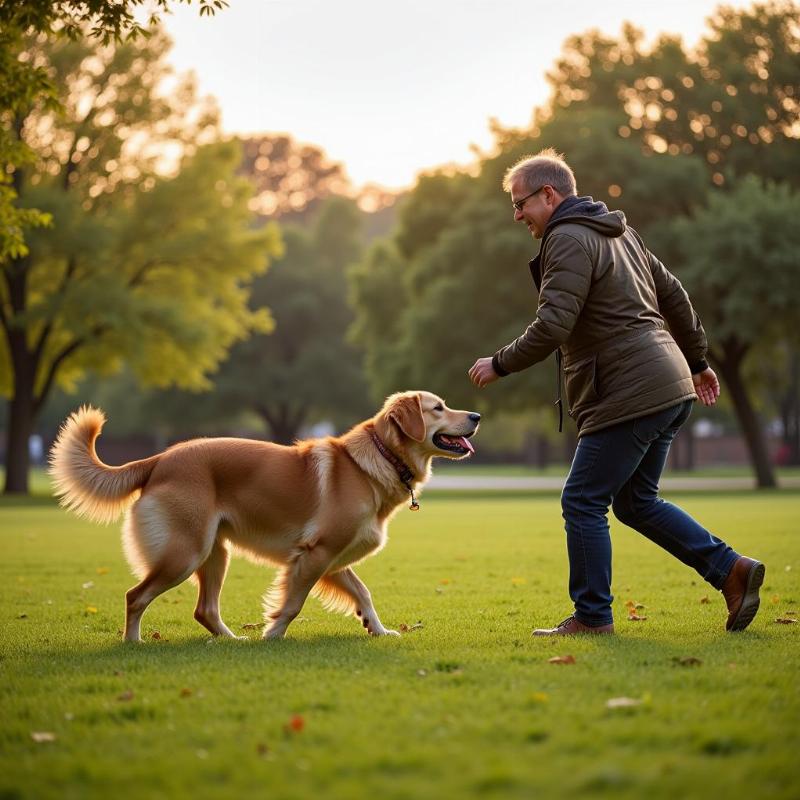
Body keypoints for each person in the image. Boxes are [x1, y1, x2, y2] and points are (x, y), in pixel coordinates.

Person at [468, 148, 764, 636]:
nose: (517, 215)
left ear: (550, 194)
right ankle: (731, 570)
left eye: (521, 203)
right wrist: (695, 363)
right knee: (635, 502)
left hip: (628, 388)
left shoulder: (566, 238)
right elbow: (675, 296)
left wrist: (500, 362)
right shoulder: (622, 233)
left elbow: (553, 323)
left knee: (581, 499)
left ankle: (591, 617)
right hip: (667, 384)